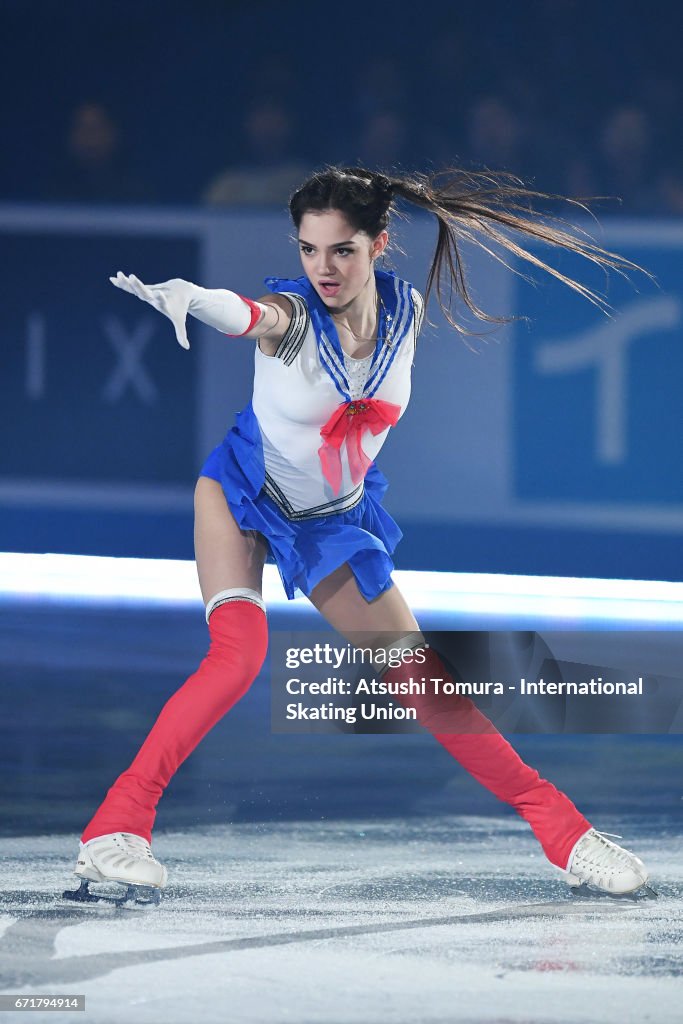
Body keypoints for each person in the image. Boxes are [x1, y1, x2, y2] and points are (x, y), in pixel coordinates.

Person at [67, 165, 653, 905]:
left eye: (340, 250)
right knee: (238, 658)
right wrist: (195, 300)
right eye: (308, 250)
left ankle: (566, 834)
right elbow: (252, 314)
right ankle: (113, 830)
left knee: (428, 686)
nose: (322, 268)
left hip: (334, 522)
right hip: (244, 494)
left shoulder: (404, 311)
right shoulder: (292, 317)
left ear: (378, 245)